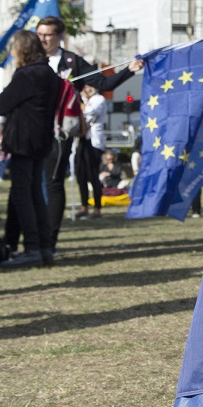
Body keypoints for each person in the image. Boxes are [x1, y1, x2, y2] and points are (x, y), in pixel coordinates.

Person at [34, 16, 142, 254]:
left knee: (53, 182)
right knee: (30, 184)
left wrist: (129, 71)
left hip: (60, 131)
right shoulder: (32, 57)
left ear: (59, 36)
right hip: (33, 128)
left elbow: (104, 83)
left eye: (47, 34)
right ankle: (27, 239)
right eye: (39, 33)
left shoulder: (71, 61)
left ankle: (48, 241)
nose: (42, 38)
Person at [0, 31, 60, 266]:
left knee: (23, 195)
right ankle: (43, 247)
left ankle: (31, 247)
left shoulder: (27, 74)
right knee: (35, 195)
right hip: (41, 140)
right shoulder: (49, 73)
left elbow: (0, 105)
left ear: (22, 50)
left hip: (23, 140)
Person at [75, 82, 107, 220]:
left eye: (89, 87)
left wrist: (80, 102)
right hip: (82, 140)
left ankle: (97, 208)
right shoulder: (84, 100)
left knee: (93, 175)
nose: (87, 90)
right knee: (80, 174)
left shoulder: (99, 99)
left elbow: (89, 111)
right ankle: (84, 206)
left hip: (94, 142)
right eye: (85, 87)